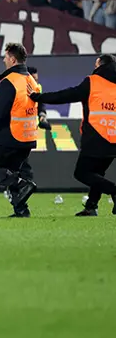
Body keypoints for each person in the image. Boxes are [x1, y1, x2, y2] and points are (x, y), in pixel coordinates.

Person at [30, 54, 116, 217]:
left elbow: (66, 95)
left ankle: (114, 191)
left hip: (96, 137)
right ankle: (91, 207)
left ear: (98, 64)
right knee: (97, 174)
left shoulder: (93, 81)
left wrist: (39, 97)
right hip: (114, 139)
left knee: (82, 173)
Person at [0, 42, 39, 215]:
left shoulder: (10, 82)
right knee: (12, 171)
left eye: (5, 57)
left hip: (10, 134)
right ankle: (21, 209)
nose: (4, 60)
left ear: (12, 59)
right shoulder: (31, 80)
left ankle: (22, 185)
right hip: (28, 135)